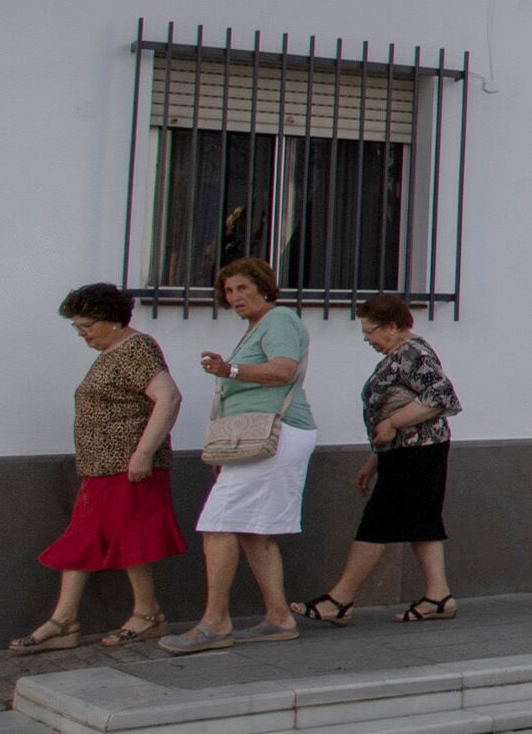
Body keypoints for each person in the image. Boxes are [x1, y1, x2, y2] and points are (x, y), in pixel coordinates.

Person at [11, 283, 186, 650]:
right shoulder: (112, 352)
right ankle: (67, 621)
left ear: (113, 321)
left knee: (129, 537)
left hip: (128, 467)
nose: (83, 333)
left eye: (87, 325)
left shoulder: (136, 348)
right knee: (86, 538)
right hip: (101, 467)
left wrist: (142, 454)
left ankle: (145, 615)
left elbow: (168, 397)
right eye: (78, 327)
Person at [161, 257, 313, 655]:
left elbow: (282, 370)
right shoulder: (260, 327)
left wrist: (229, 371)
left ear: (264, 287)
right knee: (252, 531)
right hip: (262, 437)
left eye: (242, 288)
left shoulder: (278, 320)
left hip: (273, 434)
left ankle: (215, 622)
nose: (234, 297)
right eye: (228, 291)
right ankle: (279, 618)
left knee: (218, 524)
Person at [298, 295, 462, 626]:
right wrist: (374, 460)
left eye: (370, 331)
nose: (367, 339)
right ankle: (438, 596)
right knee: (423, 522)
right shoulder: (401, 354)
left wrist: (392, 423)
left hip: (417, 452)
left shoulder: (413, 353)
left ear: (392, 327)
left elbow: (442, 395)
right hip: (409, 451)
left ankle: (340, 599)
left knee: (377, 522)